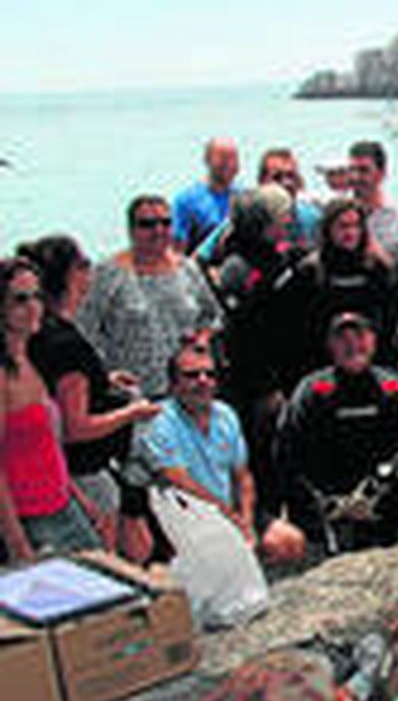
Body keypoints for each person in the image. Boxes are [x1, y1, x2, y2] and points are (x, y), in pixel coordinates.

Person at [22, 236, 161, 559]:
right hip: (86, 471)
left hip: (59, 468)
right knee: (103, 557)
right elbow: (76, 426)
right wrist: (132, 412)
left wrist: (102, 382)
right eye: (84, 265)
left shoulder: (39, 334)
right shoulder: (67, 345)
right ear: (71, 276)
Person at [279, 312, 398, 552]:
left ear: (373, 342)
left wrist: (388, 474)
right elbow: (290, 446)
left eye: (359, 336)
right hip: (332, 488)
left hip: (380, 484)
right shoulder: (313, 390)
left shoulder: (393, 386)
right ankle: (337, 525)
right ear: (330, 346)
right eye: (343, 339)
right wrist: (320, 495)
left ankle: (383, 523)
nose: (352, 345)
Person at [139, 342, 304, 564]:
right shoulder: (158, 421)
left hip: (229, 512)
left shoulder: (226, 414)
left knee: (291, 543)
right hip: (187, 517)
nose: (203, 381)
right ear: (173, 385)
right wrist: (229, 517)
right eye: (192, 375)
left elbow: (243, 475)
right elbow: (179, 482)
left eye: (210, 374)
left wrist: (245, 519)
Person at [213, 186, 319, 522]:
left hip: (288, 369)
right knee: (261, 456)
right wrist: (266, 387)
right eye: (281, 216)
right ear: (263, 222)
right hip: (256, 383)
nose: (289, 221)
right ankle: (264, 519)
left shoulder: (277, 256)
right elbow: (242, 339)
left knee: (291, 451)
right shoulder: (239, 268)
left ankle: (295, 517)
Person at [0, 258, 104, 562]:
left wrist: (75, 494)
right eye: (20, 299)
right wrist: (17, 541)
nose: (33, 307)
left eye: (37, 296)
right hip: (30, 518)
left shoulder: (32, 359)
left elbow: (46, 444)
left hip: (62, 504)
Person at [78, 194, 223, 397]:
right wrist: (105, 375)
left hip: (184, 393)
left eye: (165, 223)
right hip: (130, 396)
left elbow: (212, 317)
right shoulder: (107, 273)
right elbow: (85, 331)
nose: (158, 231)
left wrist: (201, 340)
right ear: (131, 230)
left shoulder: (187, 269)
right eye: (147, 224)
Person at [303, 198, 398, 368]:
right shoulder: (312, 270)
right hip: (324, 359)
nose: (350, 233)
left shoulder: (378, 268)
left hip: (373, 358)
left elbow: (390, 321)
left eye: (356, 226)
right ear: (329, 230)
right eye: (343, 226)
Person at [194, 148, 321, 266]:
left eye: (291, 176)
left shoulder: (314, 218)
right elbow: (199, 259)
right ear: (262, 182)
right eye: (277, 177)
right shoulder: (242, 221)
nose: (287, 183)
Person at [347, 140, 398, 267]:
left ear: (381, 174)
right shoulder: (337, 214)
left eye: (363, 170)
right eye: (352, 170)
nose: (355, 177)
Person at [171, 137, 239, 254]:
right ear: (207, 160)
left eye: (232, 158)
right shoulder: (187, 201)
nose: (228, 164)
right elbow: (178, 248)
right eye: (222, 158)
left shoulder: (244, 198)